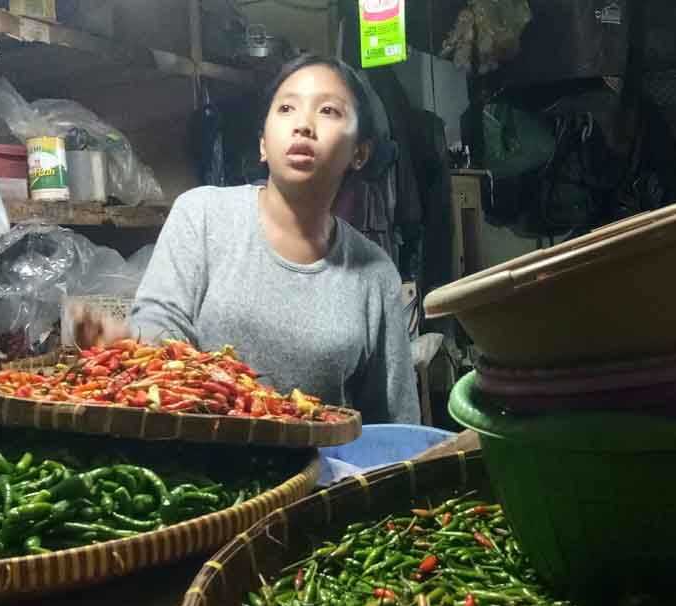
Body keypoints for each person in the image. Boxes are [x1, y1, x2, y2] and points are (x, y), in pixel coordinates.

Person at [74, 54, 420, 424]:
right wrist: (125, 341)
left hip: (321, 476)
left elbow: (394, 423)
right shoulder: (202, 215)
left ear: (359, 153)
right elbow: (161, 329)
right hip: (201, 466)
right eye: (286, 108)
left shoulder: (374, 274)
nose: (303, 125)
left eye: (329, 111)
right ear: (262, 146)